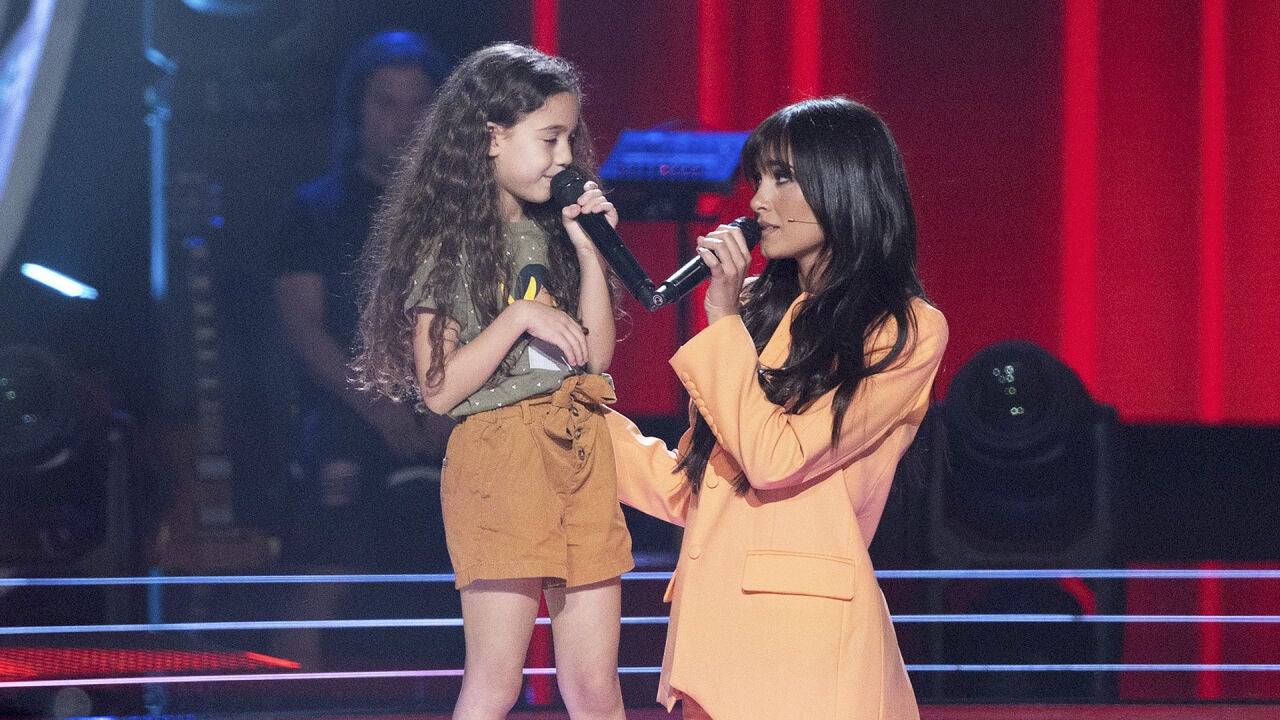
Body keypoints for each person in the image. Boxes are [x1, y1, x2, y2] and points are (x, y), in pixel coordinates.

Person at [604, 97, 949, 719]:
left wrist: (722, 317)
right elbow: (695, 488)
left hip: (810, 651)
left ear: (844, 182)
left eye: (782, 177)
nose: (758, 200)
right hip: (712, 646)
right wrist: (575, 413)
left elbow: (774, 459)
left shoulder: (902, 329)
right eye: (757, 178)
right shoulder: (760, 310)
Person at [352, 43, 633, 720]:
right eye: (549, 138)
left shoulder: (556, 233)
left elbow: (594, 358)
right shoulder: (447, 244)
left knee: (595, 685)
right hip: (499, 459)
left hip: (579, 447)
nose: (565, 156)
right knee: (497, 679)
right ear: (491, 137)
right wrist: (517, 317)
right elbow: (440, 389)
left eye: (569, 137)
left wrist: (591, 253)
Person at [270, 29, 455, 670]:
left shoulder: (463, 211)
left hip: (453, 396)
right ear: (357, 110)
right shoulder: (317, 210)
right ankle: (294, 692)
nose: (402, 122)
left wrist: (440, 402)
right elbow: (304, 328)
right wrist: (379, 407)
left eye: (417, 105)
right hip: (349, 401)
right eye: (385, 104)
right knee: (335, 541)